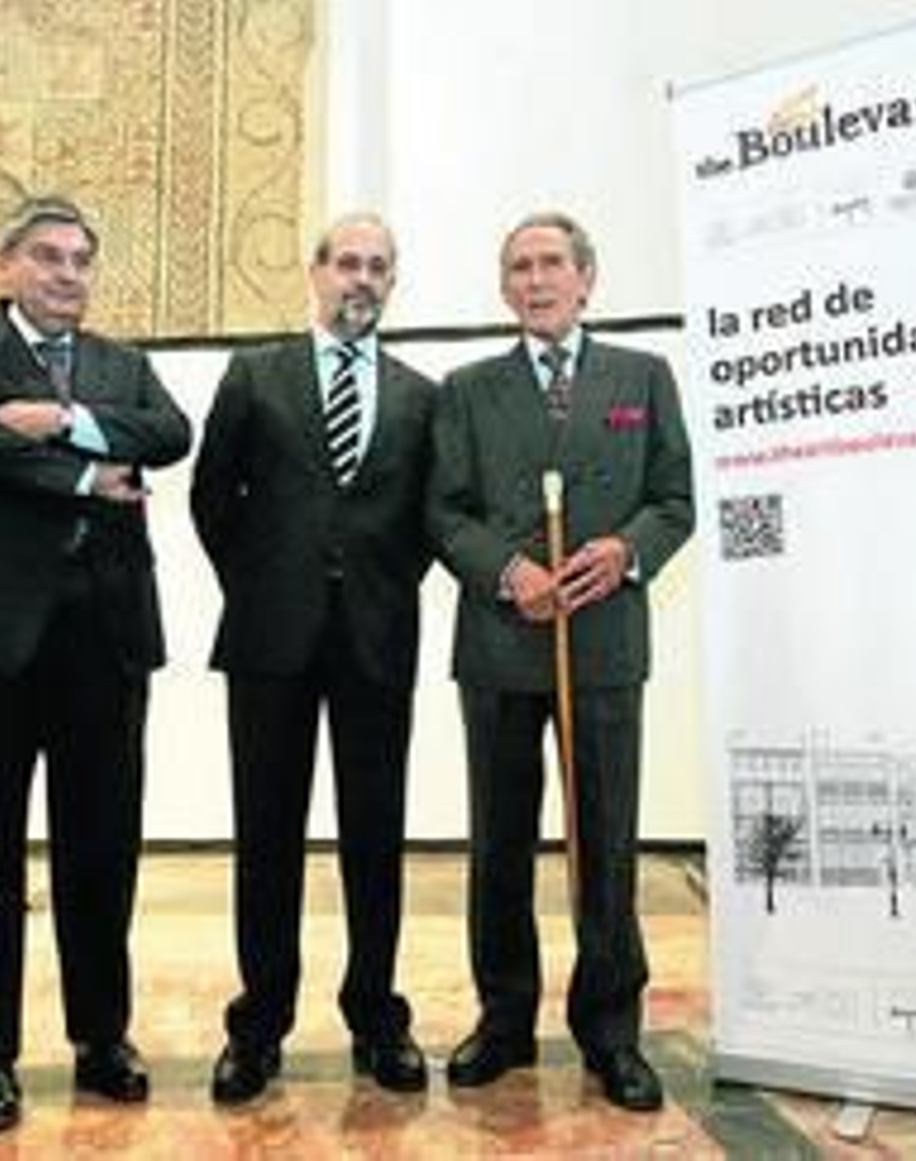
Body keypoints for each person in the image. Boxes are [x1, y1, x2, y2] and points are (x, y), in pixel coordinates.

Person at [0, 195, 192, 1133]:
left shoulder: (119, 363)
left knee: (101, 846)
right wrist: (81, 474)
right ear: (7, 264)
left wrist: (57, 417)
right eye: (49, 257)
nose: (69, 274)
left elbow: (169, 433)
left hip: (104, 636)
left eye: (81, 260)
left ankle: (102, 1039)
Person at [427, 211, 694, 1112]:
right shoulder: (466, 389)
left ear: (587, 278)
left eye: (550, 264)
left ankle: (612, 1029)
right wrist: (506, 570)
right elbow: (444, 511)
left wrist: (626, 549)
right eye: (518, 268)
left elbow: (674, 499)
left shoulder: (642, 378)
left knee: (605, 840)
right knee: (499, 841)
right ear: (505, 289)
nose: (535, 281)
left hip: (607, 645)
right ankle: (503, 1020)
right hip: (502, 649)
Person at [190, 212, 437, 1105]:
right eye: (346, 263)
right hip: (269, 641)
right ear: (316, 272)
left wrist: (368, 587)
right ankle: (258, 1025)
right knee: (267, 835)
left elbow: (421, 524)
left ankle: (378, 1015)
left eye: (378, 266)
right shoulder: (255, 375)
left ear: (392, 280)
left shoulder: (420, 394)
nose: (359, 280)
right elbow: (213, 498)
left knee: (375, 837)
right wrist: (263, 583)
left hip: (376, 643)